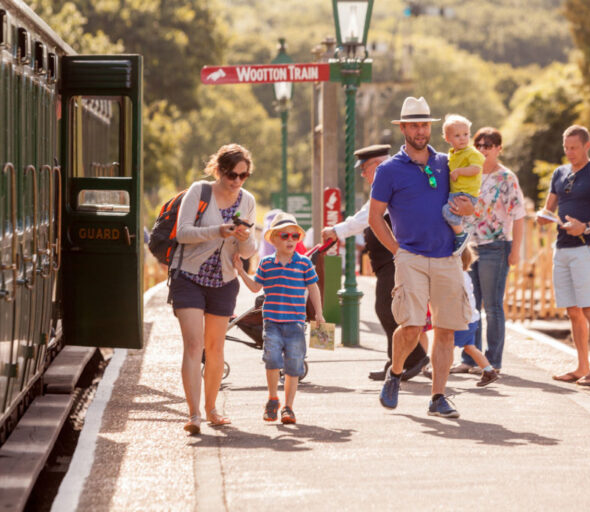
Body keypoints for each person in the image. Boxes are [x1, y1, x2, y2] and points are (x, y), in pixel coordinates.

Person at [368, 96, 474, 418]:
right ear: (402, 128)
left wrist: (470, 209)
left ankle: (438, 397)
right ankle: (396, 372)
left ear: (431, 127)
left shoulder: (447, 162)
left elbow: (469, 201)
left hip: (447, 257)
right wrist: (397, 252)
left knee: (445, 329)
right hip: (410, 256)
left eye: (424, 124)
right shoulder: (388, 171)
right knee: (412, 326)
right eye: (413, 124)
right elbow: (375, 218)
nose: (419, 130)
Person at [321, 145, 429, 382]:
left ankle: (413, 358)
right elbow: (363, 215)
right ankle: (397, 361)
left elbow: (364, 218)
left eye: (365, 169)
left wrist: (336, 231)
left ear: (378, 166)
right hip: (388, 262)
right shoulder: (389, 183)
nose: (362, 174)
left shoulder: (393, 181)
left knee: (388, 310)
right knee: (388, 310)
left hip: (396, 260)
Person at [171, 143, 257, 434]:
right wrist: (217, 231)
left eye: (243, 176)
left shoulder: (247, 201)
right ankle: (193, 414)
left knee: (215, 348)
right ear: (219, 171)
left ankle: (211, 409)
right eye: (231, 174)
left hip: (224, 280)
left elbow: (247, 253)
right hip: (189, 277)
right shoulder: (200, 192)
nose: (236, 181)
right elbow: (182, 233)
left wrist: (243, 238)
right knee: (194, 345)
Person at [537, 125, 590, 387]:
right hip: (562, 249)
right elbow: (549, 208)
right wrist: (543, 217)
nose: (569, 153)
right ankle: (581, 366)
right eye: (566, 148)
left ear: (586, 146)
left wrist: (587, 227)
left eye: (574, 148)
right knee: (572, 311)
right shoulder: (559, 173)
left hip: (587, 248)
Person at [234, 212, 325, 425]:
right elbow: (256, 287)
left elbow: (313, 289)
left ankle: (288, 407)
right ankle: (273, 398)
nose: (291, 240)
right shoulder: (266, 264)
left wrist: (319, 313)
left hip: (295, 324)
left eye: (294, 236)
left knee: (294, 366)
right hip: (272, 323)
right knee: (272, 362)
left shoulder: (304, 264)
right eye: (285, 236)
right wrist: (240, 271)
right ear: (273, 239)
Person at [452, 127, 526, 375]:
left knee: (492, 307)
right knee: (469, 304)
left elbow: (518, 216)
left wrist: (515, 250)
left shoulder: (506, 178)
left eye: (488, 145)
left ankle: (493, 361)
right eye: (479, 144)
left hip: (495, 246)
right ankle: (471, 358)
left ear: (498, 149)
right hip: (467, 246)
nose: (483, 149)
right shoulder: (469, 174)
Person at [453, 245, 500, 387]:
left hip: (462, 319)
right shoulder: (465, 275)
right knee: (469, 347)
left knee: (446, 346)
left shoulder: (457, 277)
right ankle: (489, 370)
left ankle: (436, 369)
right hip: (471, 320)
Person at [441, 114, 484, 255]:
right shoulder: (453, 154)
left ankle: (461, 235)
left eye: (466, 134)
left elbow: (476, 169)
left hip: (465, 194)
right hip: (457, 193)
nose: (463, 138)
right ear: (448, 139)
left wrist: (459, 171)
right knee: (451, 214)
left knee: (447, 211)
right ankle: (458, 237)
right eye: (457, 135)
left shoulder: (471, 152)